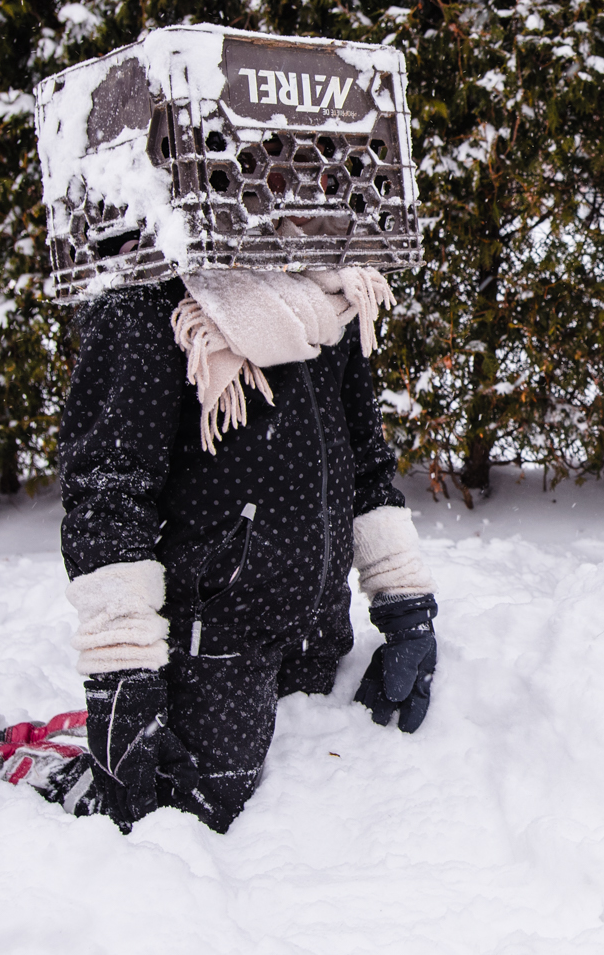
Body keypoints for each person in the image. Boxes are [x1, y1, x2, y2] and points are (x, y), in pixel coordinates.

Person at [48, 253, 437, 833]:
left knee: (323, 792)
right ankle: (47, 770)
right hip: (217, 636)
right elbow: (109, 494)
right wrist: (121, 673)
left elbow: (365, 463)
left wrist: (403, 603)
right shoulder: (146, 301)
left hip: (316, 623)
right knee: (191, 817)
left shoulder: (328, 292)